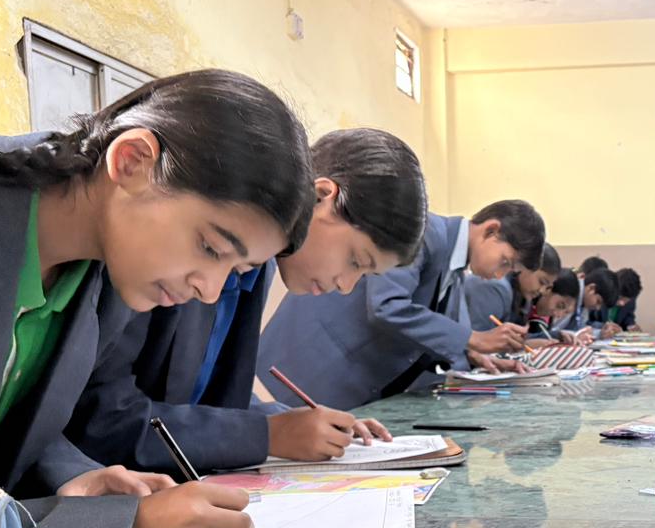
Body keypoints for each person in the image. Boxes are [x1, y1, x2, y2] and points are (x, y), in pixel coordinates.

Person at [0, 69, 315, 528]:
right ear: (132, 161)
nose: (209, 291)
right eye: (210, 248)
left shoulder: (100, 275)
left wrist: (71, 473)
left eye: (237, 270)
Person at [66, 128, 426, 475]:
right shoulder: (170, 259)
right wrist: (268, 435)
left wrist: (293, 424)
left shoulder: (257, 270)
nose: (346, 287)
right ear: (320, 196)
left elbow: (206, 397)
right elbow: (100, 418)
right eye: (355, 261)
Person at [259, 200, 545, 410]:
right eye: (505, 262)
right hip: (309, 364)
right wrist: (473, 338)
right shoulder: (424, 233)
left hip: (348, 382)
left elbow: (427, 330)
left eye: (509, 271)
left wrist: (472, 355)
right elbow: (387, 306)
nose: (499, 275)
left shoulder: (455, 267)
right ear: (491, 230)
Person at [466, 241, 561, 331]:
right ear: (526, 267)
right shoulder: (496, 287)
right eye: (541, 282)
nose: (541, 291)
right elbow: (475, 338)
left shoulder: (522, 294)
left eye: (547, 286)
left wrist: (556, 335)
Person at [553, 267, 618, 343]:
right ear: (591, 288)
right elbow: (553, 330)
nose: (597, 308)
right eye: (598, 301)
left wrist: (600, 333)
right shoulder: (570, 292)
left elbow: (579, 330)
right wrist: (576, 335)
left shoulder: (584, 302)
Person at [524, 270, 581, 342]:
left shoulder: (547, 317)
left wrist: (558, 335)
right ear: (547, 289)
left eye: (566, 312)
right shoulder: (524, 302)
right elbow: (518, 338)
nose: (559, 315)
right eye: (559, 305)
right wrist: (528, 343)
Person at [597, 267, 642, 338]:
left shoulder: (630, 297)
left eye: (626, 300)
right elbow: (587, 322)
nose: (622, 303)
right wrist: (603, 328)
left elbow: (628, 318)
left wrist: (631, 327)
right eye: (620, 298)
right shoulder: (598, 296)